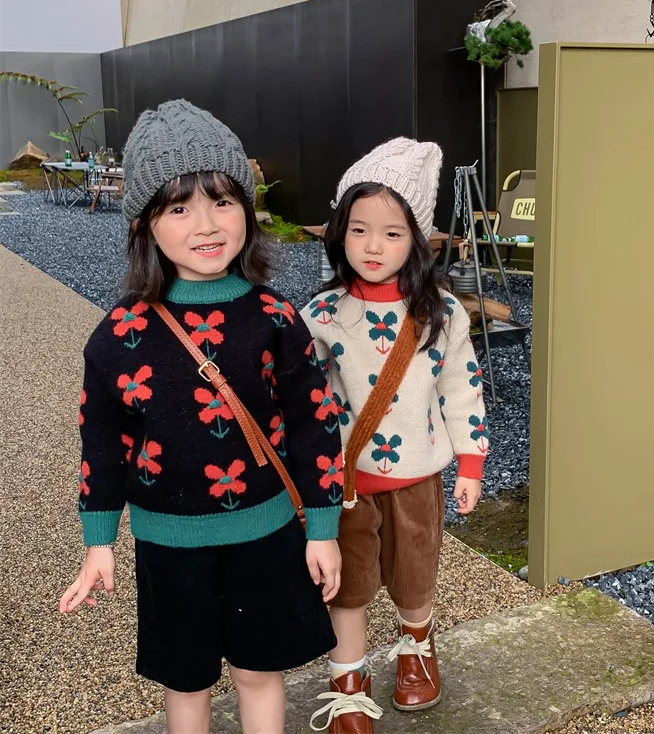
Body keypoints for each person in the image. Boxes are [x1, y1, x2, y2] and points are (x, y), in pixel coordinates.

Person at [59, 99, 343, 734]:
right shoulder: (119, 334)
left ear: (247, 207)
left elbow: (314, 423)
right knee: (185, 682)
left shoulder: (275, 318)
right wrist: (99, 542)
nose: (206, 224)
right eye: (179, 208)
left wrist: (322, 528)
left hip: (266, 532)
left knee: (259, 672)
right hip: (167, 543)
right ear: (144, 225)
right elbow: (101, 442)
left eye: (222, 200)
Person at [303, 138, 489, 733]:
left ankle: (417, 647)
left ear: (418, 239)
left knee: (415, 576)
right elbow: (301, 401)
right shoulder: (322, 315)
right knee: (346, 588)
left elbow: (462, 389)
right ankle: (348, 682)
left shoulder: (443, 314)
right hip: (345, 485)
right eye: (359, 230)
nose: (373, 246)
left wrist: (471, 463)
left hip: (416, 477)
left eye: (392, 233)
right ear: (340, 232)